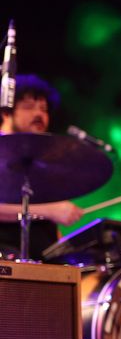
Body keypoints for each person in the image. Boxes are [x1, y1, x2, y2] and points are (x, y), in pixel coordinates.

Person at [0, 74, 84, 259]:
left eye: (44, 109)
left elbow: (45, 230)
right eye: (29, 107)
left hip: (41, 264)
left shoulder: (40, 162)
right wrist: (50, 210)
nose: (39, 114)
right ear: (6, 112)